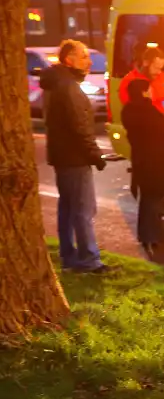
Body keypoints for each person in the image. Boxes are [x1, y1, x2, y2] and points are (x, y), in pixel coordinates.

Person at [43, 40, 109, 273]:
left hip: (64, 156)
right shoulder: (68, 86)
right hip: (74, 157)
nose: (89, 61)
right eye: (83, 57)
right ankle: (89, 260)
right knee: (83, 209)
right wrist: (94, 154)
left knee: (69, 209)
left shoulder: (58, 83)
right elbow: (80, 126)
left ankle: (70, 258)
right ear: (69, 59)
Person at [121, 78, 164, 259]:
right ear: (144, 92)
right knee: (153, 199)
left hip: (140, 160)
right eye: (149, 89)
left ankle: (148, 235)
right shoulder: (149, 111)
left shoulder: (128, 110)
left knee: (147, 198)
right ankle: (150, 237)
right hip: (156, 161)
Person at [118, 47, 164, 230]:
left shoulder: (162, 77)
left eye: (161, 67)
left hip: (163, 131)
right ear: (146, 62)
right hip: (148, 139)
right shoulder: (130, 82)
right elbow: (135, 110)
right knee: (153, 179)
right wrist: (159, 105)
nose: (158, 72)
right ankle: (155, 222)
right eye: (155, 67)